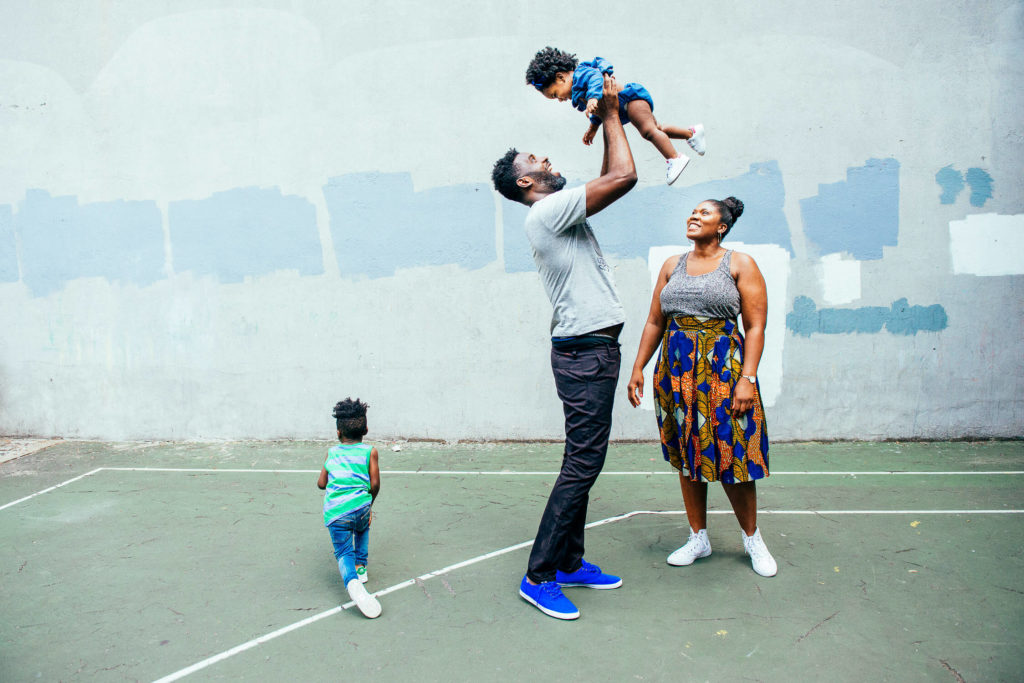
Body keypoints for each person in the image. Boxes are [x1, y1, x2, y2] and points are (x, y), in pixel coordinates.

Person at [491, 75, 636, 620]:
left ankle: (571, 561)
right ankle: (540, 574)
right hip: (584, 353)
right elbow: (624, 175)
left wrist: (602, 122)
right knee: (583, 463)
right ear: (528, 180)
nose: (548, 158)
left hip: (591, 350)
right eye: (538, 158)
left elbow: (605, 177)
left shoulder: (558, 208)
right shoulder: (546, 212)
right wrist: (616, 113)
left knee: (585, 460)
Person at [626, 197, 777, 577]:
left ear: (722, 225)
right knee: (688, 452)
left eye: (704, 213)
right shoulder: (671, 266)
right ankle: (699, 537)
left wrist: (748, 378)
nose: (694, 216)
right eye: (692, 211)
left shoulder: (740, 264)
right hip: (676, 369)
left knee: (733, 453)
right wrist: (638, 368)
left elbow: (756, 326)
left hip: (725, 370)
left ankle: (752, 539)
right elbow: (654, 322)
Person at [525, 46, 705, 185]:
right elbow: (598, 112)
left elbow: (597, 78)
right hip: (625, 106)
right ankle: (691, 133)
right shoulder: (579, 94)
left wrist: (592, 98)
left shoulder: (581, 74)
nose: (559, 100)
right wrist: (593, 128)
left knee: (648, 131)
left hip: (630, 99)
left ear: (561, 77)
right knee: (658, 129)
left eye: (555, 94)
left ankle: (674, 158)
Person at [317, 398, 383, 618]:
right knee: (362, 527)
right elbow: (374, 484)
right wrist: (369, 505)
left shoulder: (332, 453)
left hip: (336, 513)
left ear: (338, 432)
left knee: (344, 552)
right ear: (365, 429)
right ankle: (361, 569)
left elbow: (321, 484)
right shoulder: (370, 452)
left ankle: (352, 583)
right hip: (362, 507)